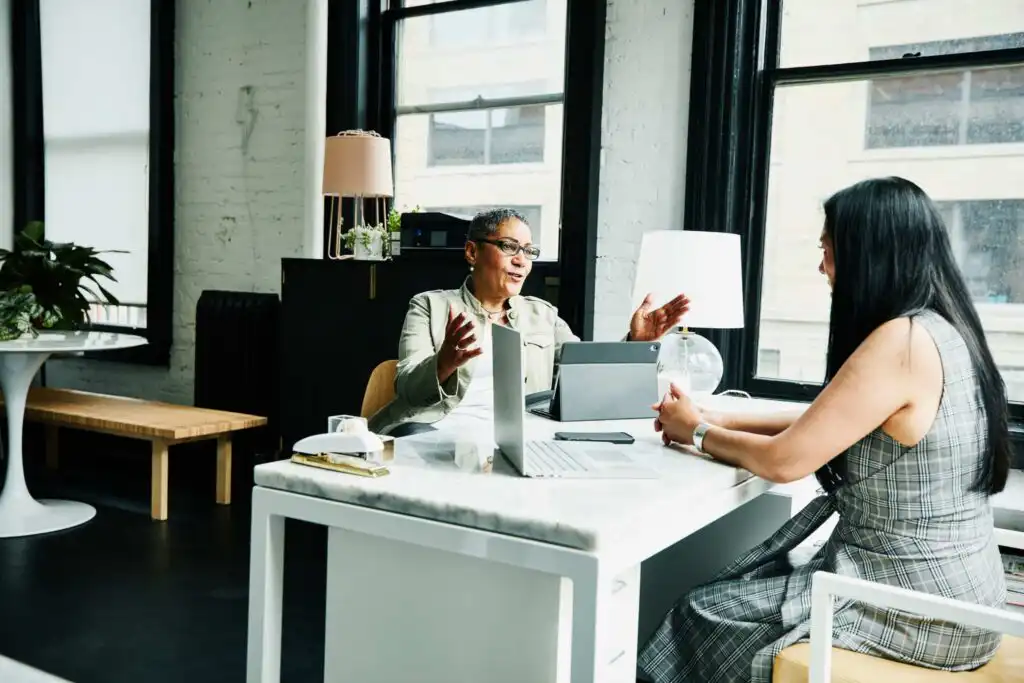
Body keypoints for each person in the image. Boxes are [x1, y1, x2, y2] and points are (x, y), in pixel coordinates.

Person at [638, 177, 1012, 683]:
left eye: (828, 249)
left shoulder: (899, 342)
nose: (821, 266)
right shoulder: (943, 328)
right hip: (965, 593)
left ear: (870, 253)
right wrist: (716, 417)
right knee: (750, 577)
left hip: (916, 606)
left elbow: (785, 461)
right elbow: (834, 420)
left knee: (700, 611)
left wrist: (696, 433)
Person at [367, 207, 690, 436]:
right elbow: (407, 387)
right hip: (431, 431)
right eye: (509, 247)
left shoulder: (542, 314)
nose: (521, 260)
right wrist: (445, 361)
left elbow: (586, 373)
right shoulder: (430, 306)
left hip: (514, 442)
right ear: (471, 252)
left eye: (528, 250)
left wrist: (636, 344)